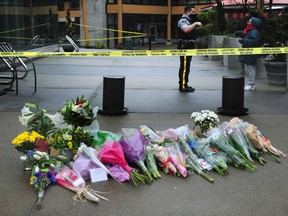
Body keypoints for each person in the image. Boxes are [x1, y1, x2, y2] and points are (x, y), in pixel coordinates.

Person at [177, 5, 202, 93]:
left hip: (188, 46)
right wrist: (195, 24)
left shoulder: (189, 21)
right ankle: (183, 86)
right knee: (184, 67)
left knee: (186, 66)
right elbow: (186, 30)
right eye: (193, 12)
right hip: (184, 46)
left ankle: (185, 84)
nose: (194, 14)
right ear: (187, 12)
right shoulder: (183, 20)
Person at [236, 17, 262, 91]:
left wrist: (244, 41)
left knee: (251, 69)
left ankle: (251, 85)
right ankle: (250, 83)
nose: (248, 23)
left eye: (250, 22)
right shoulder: (252, 31)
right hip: (248, 53)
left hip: (251, 53)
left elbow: (254, 42)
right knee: (250, 68)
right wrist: (241, 34)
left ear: (254, 24)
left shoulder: (254, 31)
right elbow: (247, 35)